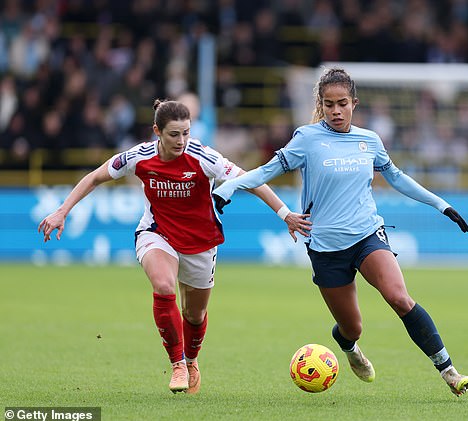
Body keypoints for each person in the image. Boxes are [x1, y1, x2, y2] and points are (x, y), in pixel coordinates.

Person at [212, 68, 468, 397]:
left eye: (342, 104)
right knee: (352, 327)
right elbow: (264, 172)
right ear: (320, 105)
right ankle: (349, 348)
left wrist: (441, 205)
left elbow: (397, 178)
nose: (336, 111)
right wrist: (228, 188)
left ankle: (449, 372)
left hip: (367, 235)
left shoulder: (369, 141)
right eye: (328, 105)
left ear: (354, 103)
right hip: (325, 248)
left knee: (399, 297)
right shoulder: (306, 140)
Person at [38, 99, 309, 393]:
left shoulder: (204, 157)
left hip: (200, 242)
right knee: (164, 286)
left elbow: (252, 180)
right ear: (157, 131)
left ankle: (191, 360)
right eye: (174, 134)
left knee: (195, 315)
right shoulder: (138, 157)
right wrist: (62, 211)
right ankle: (177, 364)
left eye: (186, 133)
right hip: (157, 233)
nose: (181, 141)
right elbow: (95, 177)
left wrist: (286, 214)